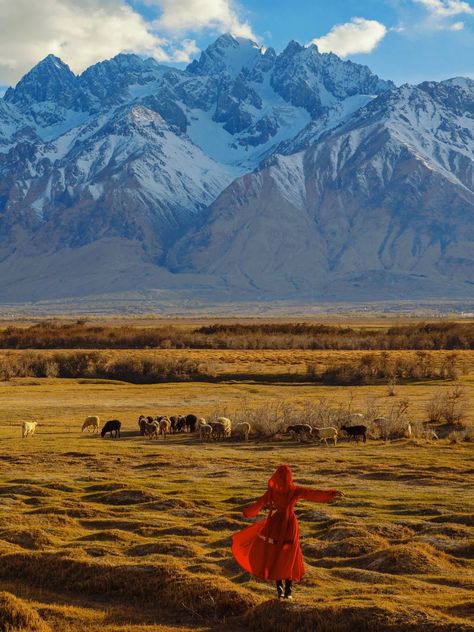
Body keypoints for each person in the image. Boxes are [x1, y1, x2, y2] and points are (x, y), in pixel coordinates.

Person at [231, 464, 343, 599]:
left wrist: (247, 512)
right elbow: (312, 493)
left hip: (275, 524)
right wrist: (331, 494)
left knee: (275, 553)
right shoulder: (294, 490)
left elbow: (259, 504)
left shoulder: (272, 492)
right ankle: (288, 590)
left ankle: (280, 588)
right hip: (290, 524)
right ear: (290, 477)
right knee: (291, 553)